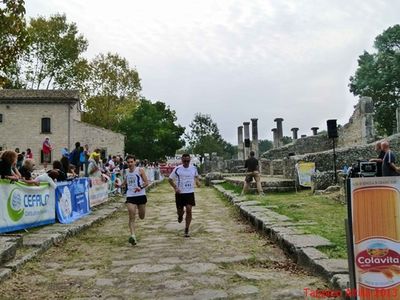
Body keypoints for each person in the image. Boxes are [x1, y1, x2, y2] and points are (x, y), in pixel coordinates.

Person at [168, 153, 201, 238]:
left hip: (190, 192)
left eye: (188, 160)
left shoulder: (193, 168)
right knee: (180, 211)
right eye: (184, 160)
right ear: (182, 160)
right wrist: (175, 188)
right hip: (180, 193)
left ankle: (186, 229)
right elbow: (170, 179)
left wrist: (197, 181)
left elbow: (196, 176)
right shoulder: (177, 169)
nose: (186, 162)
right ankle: (180, 215)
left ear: (190, 160)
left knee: (189, 209)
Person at [122, 155, 149, 245]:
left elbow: (146, 182)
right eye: (128, 162)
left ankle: (139, 211)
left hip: (140, 195)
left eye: (131, 162)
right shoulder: (126, 171)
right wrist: (120, 185)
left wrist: (140, 187)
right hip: (130, 195)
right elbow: (126, 180)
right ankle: (133, 236)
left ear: (134, 162)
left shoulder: (140, 170)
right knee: (131, 216)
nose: (130, 164)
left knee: (142, 216)